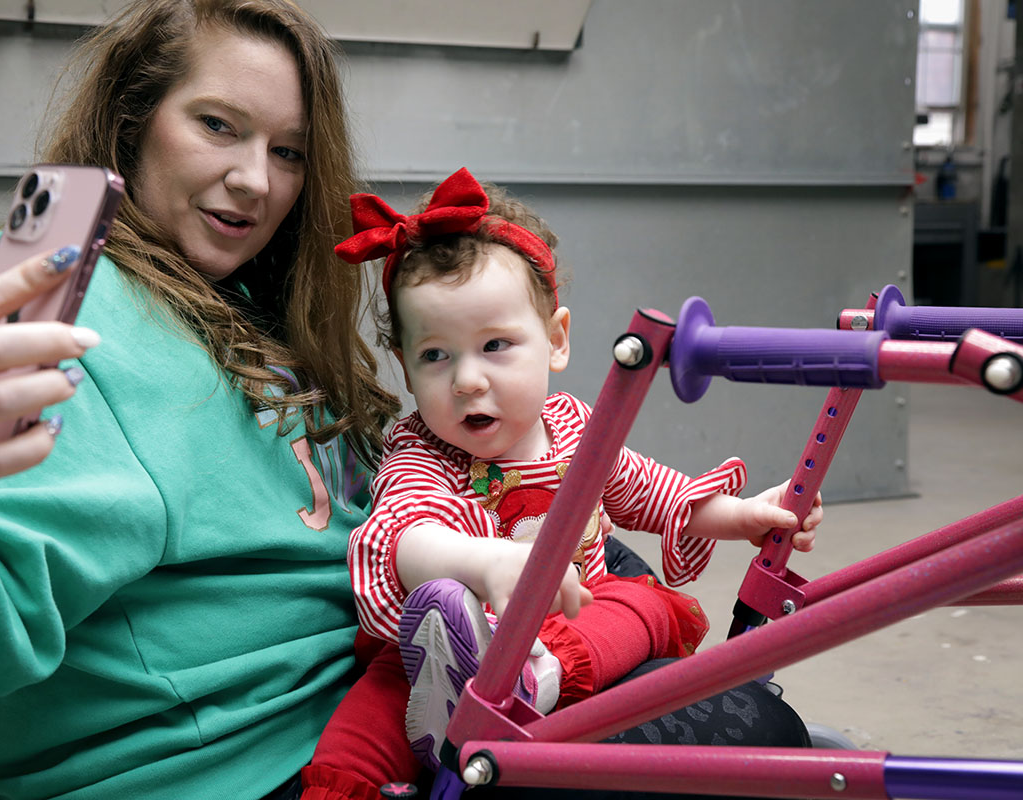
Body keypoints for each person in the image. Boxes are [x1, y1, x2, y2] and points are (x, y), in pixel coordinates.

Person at [0, 2, 400, 799]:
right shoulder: (56, 309)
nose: (256, 179)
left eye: (289, 152)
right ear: (132, 118)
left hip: (377, 709)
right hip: (244, 767)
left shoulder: (250, 301)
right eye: (217, 125)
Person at [300, 168, 822, 798]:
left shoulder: (576, 428)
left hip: (575, 622)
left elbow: (648, 491)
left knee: (644, 606)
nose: (466, 379)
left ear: (555, 341)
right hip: (450, 642)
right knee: (363, 721)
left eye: (495, 344)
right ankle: (357, 780)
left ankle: (538, 682)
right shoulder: (423, 451)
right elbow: (402, 537)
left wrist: (736, 515)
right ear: (408, 372)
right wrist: (485, 564)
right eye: (435, 355)